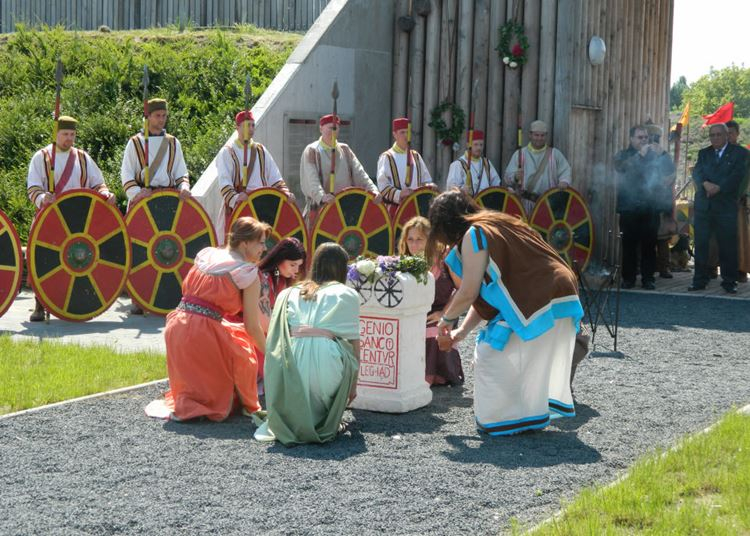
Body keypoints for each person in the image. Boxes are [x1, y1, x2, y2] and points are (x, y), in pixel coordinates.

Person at [426, 190, 583, 436]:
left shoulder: (474, 235)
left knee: (490, 351)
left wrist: (445, 322)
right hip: (557, 291)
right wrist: (461, 332)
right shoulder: (492, 224)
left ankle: (502, 419)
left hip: (543, 294)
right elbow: (486, 296)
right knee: (509, 352)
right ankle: (527, 416)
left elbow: (469, 291)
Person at [144, 217, 270, 422]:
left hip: (177, 326)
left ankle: (200, 397)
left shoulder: (207, 254)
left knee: (234, 336)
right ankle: (247, 405)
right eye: (261, 242)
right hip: (202, 332)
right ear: (245, 243)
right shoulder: (246, 272)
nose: (264, 248)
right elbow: (252, 327)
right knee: (244, 353)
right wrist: (272, 354)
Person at [255, 243, 360, 445]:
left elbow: (276, 339)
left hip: (291, 365)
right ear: (341, 268)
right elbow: (355, 345)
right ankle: (323, 421)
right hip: (328, 363)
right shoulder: (347, 294)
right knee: (344, 349)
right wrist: (352, 386)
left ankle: (297, 419)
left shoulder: (289, 293)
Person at [26, 115, 116, 322]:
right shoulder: (42, 157)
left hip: (79, 221)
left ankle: (76, 304)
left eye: (72, 135)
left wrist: (106, 193)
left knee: (79, 260)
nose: (69, 138)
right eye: (65, 134)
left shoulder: (83, 158)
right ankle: (39, 305)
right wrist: (42, 197)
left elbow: (98, 183)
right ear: (56, 133)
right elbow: (33, 187)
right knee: (42, 259)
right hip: (50, 217)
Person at [121, 97, 192, 314]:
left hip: (168, 201)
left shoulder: (173, 142)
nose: (161, 120)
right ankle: (137, 297)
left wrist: (185, 185)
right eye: (157, 115)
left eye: (164, 115)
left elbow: (181, 171)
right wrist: (136, 193)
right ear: (148, 116)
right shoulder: (135, 143)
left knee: (169, 248)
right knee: (139, 250)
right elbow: (126, 173)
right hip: (143, 200)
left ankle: (169, 294)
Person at [398, 216, 463, 386]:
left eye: (419, 239)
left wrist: (444, 314)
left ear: (430, 240)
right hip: (415, 313)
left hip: (443, 311)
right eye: (410, 239)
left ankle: (435, 374)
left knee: (434, 329)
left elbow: (461, 288)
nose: (414, 244)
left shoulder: (445, 257)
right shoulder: (404, 262)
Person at [614, 125, 675, 290]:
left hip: (650, 207)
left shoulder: (654, 155)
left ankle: (648, 279)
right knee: (629, 246)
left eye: (645, 137)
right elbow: (621, 168)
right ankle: (628, 279)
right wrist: (638, 156)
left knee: (649, 246)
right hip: (629, 207)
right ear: (631, 139)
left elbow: (670, 170)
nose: (643, 141)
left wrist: (663, 153)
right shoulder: (623, 155)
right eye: (640, 137)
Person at [689, 123, 747, 294]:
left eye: (718, 135)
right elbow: (697, 172)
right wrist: (706, 184)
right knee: (701, 244)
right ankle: (699, 280)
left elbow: (737, 175)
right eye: (712, 135)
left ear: (726, 135)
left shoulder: (739, 153)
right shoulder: (704, 153)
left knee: (728, 245)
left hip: (725, 206)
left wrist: (719, 187)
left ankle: (729, 281)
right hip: (704, 206)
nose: (714, 138)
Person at [217, 110, 293, 229]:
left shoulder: (260, 150)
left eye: (253, 125)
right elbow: (224, 181)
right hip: (240, 206)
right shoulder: (227, 152)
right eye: (247, 125)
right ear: (237, 127)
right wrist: (236, 198)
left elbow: (274, 176)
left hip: (262, 206)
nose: (251, 129)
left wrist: (284, 192)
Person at [299, 114, 380, 223]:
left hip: (345, 209)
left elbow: (360, 173)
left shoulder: (345, 149)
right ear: (321, 128)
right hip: (321, 209)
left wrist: (373, 190)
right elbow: (311, 179)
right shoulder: (312, 150)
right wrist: (322, 196)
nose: (333, 131)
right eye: (330, 128)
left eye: (335, 128)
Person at [254, 237, 307, 389]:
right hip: (255, 333)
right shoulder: (263, 278)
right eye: (292, 264)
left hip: (271, 331)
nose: (296, 270)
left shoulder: (282, 279)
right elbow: (263, 323)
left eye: (299, 265)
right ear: (279, 259)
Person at [503, 120, 573, 215]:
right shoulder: (520, 155)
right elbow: (507, 178)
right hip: (525, 205)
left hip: (549, 205)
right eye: (536, 135)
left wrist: (564, 181)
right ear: (530, 135)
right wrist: (515, 176)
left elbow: (565, 170)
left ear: (546, 136)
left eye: (542, 135)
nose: (539, 138)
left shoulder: (555, 154)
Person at [377, 117, 436, 215]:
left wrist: (429, 186)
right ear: (394, 134)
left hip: (417, 209)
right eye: (402, 132)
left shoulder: (416, 156)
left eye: (408, 132)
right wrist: (399, 194)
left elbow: (425, 180)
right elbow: (383, 186)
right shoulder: (387, 157)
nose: (406, 136)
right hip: (396, 211)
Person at [726, 120, 750, 282]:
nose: (728, 136)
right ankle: (712, 267)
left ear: (737, 134)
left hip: (738, 200)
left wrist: (742, 194)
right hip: (719, 201)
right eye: (725, 133)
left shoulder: (744, 154)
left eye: (731, 133)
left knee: (739, 235)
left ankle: (741, 269)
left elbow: (747, 177)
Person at [446, 130, 501, 196]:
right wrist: (461, 190)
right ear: (468, 145)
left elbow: (496, 184)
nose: (479, 148)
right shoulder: (458, 164)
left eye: (481, 145)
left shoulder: (486, 163)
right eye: (476, 144)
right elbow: (451, 189)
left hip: (485, 203)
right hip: (467, 204)